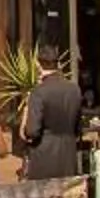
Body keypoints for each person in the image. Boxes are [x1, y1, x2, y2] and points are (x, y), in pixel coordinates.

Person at [19, 48, 86, 181]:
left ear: (39, 66)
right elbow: (78, 128)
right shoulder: (74, 89)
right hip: (68, 155)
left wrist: (25, 119)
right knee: (66, 192)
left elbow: (32, 132)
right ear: (58, 64)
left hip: (44, 156)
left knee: (44, 193)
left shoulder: (39, 92)